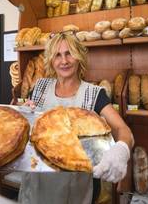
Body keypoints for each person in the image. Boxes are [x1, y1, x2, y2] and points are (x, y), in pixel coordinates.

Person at [20, 33, 134, 204]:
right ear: (51, 60)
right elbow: (28, 129)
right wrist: (24, 114)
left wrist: (122, 149)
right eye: (58, 55)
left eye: (69, 53)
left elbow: (122, 129)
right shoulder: (39, 88)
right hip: (37, 183)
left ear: (79, 56)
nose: (64, 61)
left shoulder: (94, 94)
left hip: (75, 187)